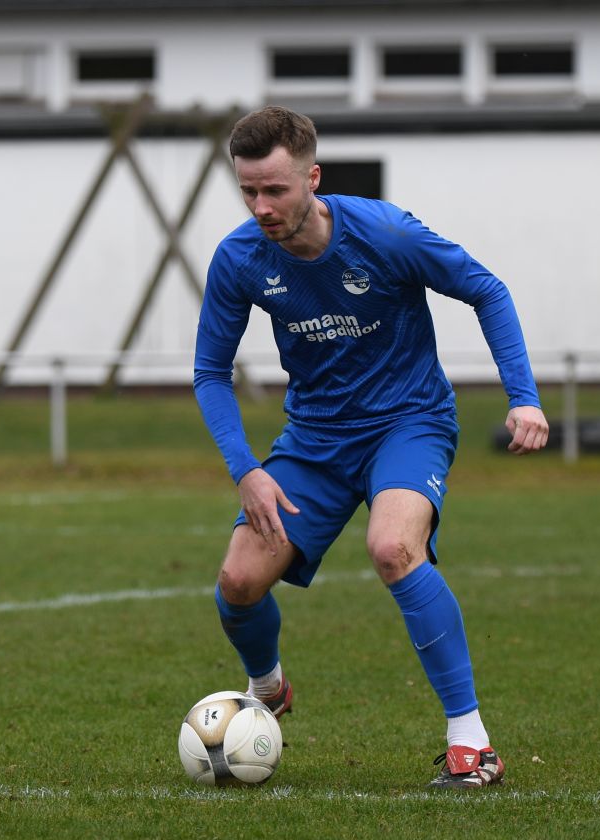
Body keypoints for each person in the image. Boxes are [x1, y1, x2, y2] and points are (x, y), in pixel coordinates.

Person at [193, 107, 549, 789]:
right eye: (248, 191)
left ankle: (471, 744)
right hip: (315, 439)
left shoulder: (385, 233)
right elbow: (211, 371)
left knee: (392, 548)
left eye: (275, 190)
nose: (261, 207)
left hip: (408, 422)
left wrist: (523, 396)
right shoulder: (240, 258)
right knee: (237, 584)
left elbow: (486, 290)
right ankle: (266, 687)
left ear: (312, 179)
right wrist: (247, 471)